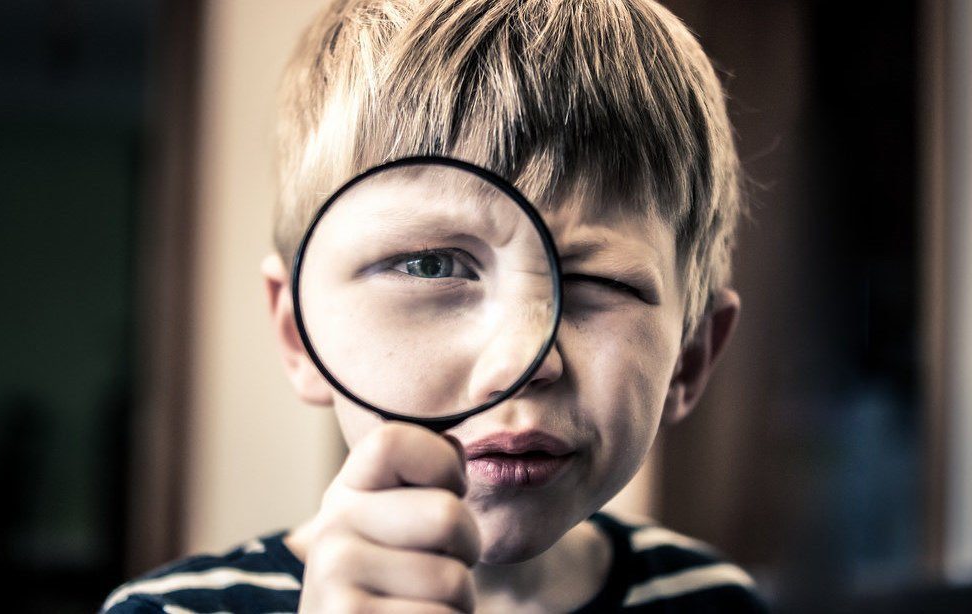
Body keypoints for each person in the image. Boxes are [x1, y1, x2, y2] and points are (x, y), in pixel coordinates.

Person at [102, 0, 769, 611]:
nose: (518, 363)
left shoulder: (716, 602)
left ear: (690, 355)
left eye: (598, 284)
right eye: (431, 266)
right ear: (299, 334)